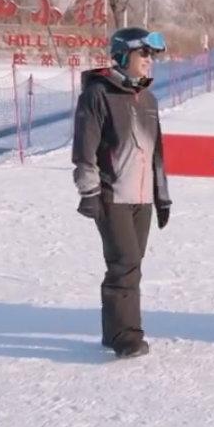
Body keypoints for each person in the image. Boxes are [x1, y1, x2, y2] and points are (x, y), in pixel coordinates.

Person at [72, 27, 170, 359]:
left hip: (141, 198)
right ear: (123, 55)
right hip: (111, 194)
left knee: (132, 263)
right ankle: (126, 336)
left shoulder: (149, 99)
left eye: (152, 56)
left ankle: (114, 329)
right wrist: (89, 191)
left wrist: (162, 196)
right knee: (124, 262)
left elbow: (156, 153)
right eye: (144, 54)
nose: (149, 61)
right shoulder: (98, 94)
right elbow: (84, 147)